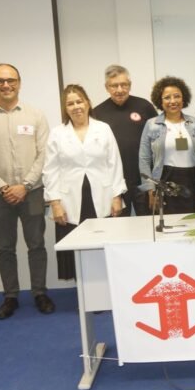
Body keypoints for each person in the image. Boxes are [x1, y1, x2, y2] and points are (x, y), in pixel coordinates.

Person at [0, 63, 54, 319]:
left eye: (11, 80)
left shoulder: (36, 115)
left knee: (36, 245)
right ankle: (10, 296)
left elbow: (44, 154)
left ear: (19, 82)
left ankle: (39, 292)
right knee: (5, 248)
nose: (5, 85)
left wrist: (25, 185)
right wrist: (4, 187)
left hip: (33, 192)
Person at [43, 84, 126, 280]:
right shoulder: (57, 133)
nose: (76, 107)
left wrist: (117, 196)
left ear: (88, 103)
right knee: (75, 249)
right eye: (70, 104)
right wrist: (55, 203)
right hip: (69, 200)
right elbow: (50, 170)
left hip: (102, 197)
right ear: (65, 108)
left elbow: (114, 163)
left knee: (103, 244)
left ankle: (103, 286)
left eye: (79, 101)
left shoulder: (103, 128)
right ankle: (82, 290)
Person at [139, 76, 195, 214]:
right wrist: (150, 190)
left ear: (183, 99)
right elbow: (144, 159)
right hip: (164, 181)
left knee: (192, 223)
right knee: (166, 223)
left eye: (177, 96)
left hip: (192, 182)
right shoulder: (151, 124)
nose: (173, 101)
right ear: (160, 101)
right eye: (167, 97)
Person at [92, 65, 157, 216]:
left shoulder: (144, 106)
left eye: (124, 84)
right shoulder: (97, 113)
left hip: (144, 178)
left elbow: (158, 141)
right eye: (114, 85)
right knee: (119, 224)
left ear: (130, 85)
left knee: (149, 222)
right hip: (114, 182)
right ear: (106, 87)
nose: (120, 90)